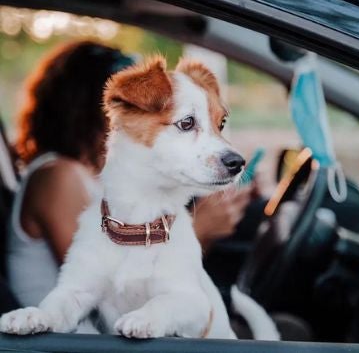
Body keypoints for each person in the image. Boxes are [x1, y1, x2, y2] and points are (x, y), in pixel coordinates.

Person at [8, 40, 257, 310]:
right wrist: (200, 230)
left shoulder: (92, 174)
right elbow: (106, 291)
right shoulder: (57, 176)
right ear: (95, 107)